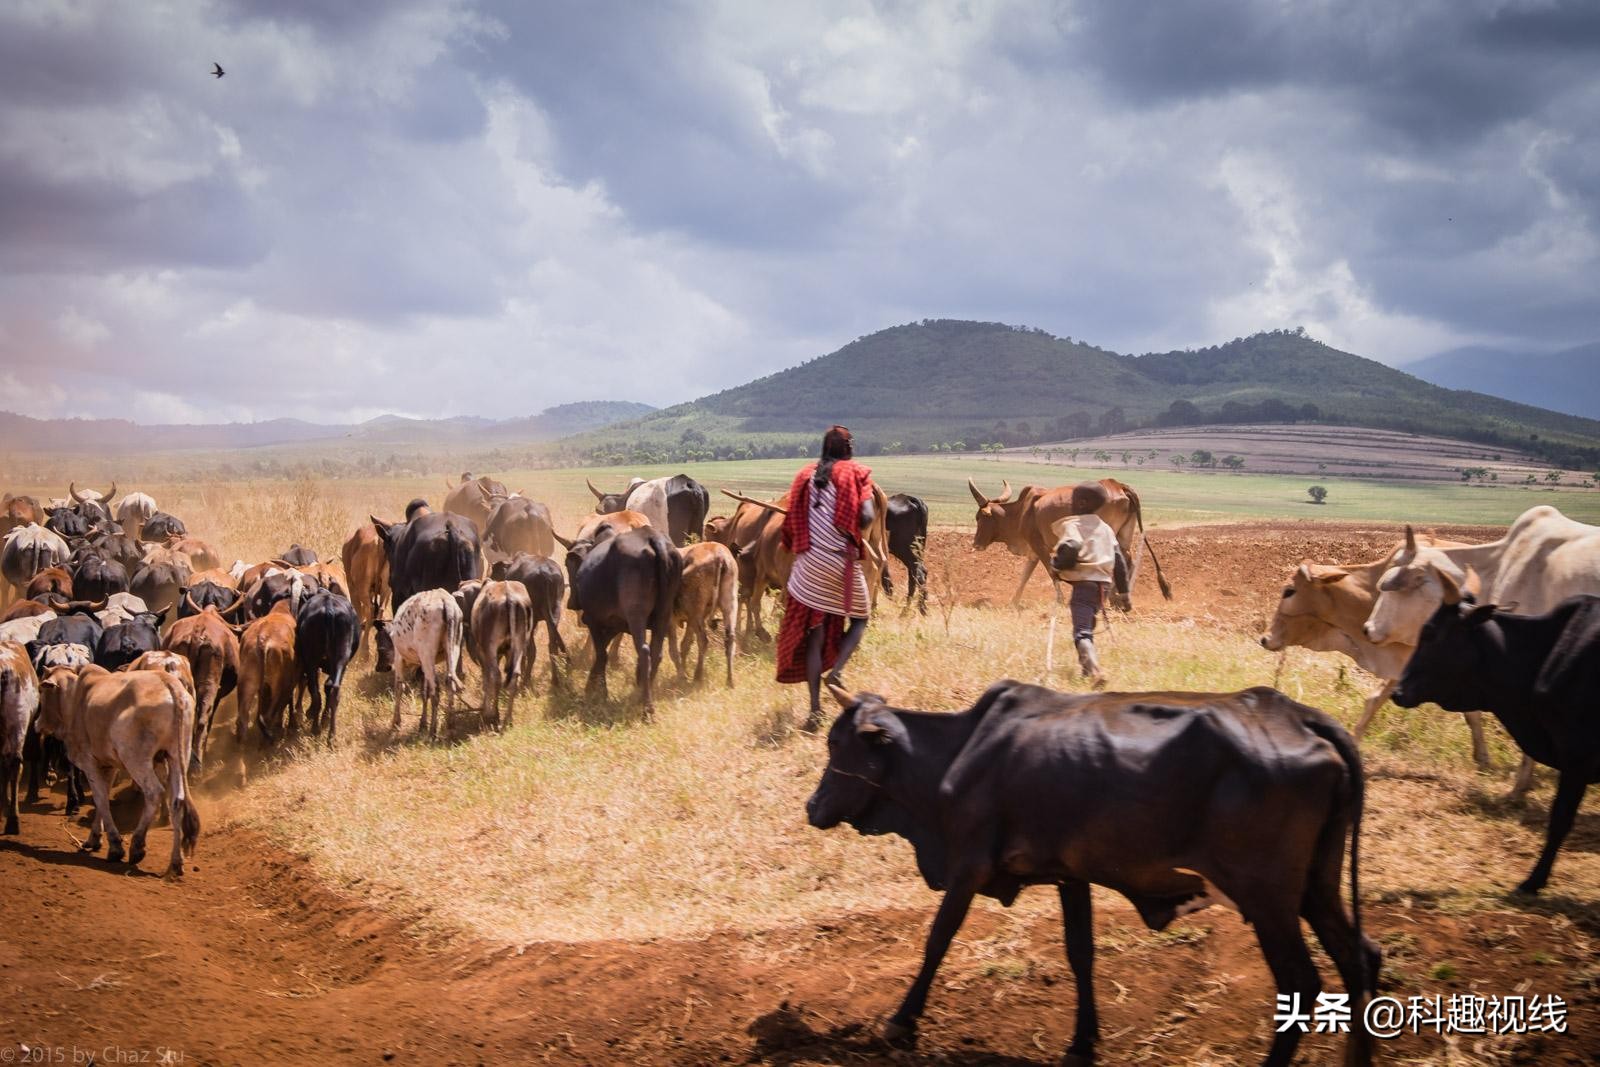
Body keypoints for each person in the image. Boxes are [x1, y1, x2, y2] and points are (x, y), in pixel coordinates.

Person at [776, 425, 877, 729]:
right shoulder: (856, 473)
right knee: (861, 618)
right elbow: (868, 516)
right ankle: (836, 671)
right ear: (847, 448)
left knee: (814, 634)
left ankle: (815, 711)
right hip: (841, 562)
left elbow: (792, 521)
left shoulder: (803, 476)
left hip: (808, 566)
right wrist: (852, 530)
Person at [1051, 510, 1117, 688]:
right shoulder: (1107, 529)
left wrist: (1056, 567)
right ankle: (1086, 670)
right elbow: (1119, 560)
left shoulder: (1073, 525)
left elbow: (1071, 547)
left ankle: (1096, 671)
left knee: (1082, 633)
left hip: (1084, 587)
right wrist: (1125, 593)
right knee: (1088, 626)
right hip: (1103, 586)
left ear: (1081, 504)